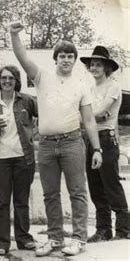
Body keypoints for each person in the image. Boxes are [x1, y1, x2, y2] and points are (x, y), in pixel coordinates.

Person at [10, 22, 102, 257]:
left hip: (72, 141)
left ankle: (79, 238)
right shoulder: (42, 77)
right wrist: (14, 35)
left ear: (74, 59)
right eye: (62, 55)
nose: (66, 60)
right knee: (50, 193)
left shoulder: (82, 84)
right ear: (55, 58)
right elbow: (22, 58)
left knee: (77, 192)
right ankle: (54, 238)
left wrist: (98, 149)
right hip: (48, 144)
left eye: (70, 56)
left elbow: (89, 120)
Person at [0, 65, 38, 255]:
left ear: (16, 81)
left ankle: (24, 239)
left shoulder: (27, 100)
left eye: (11, 78)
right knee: (2, 202)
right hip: (1, 159)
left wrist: (36, 134)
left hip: (24, 157)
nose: (7, 82)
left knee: (21, 201)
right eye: (3, 78)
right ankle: (0, 243)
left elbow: (44, 116)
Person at [81, 46, 129, 241]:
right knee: (95, 184)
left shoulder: (113, 86)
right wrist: (92, 116)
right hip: (90, 139)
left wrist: (90, 115)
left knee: (111, 183)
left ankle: (124, 229)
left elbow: (101, 111)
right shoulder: (89, 89)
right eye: (92, 64)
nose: (94, 68)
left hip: (106, 139)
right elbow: (92, 114)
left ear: (107, 67)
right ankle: (103, 229)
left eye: (98, 64)